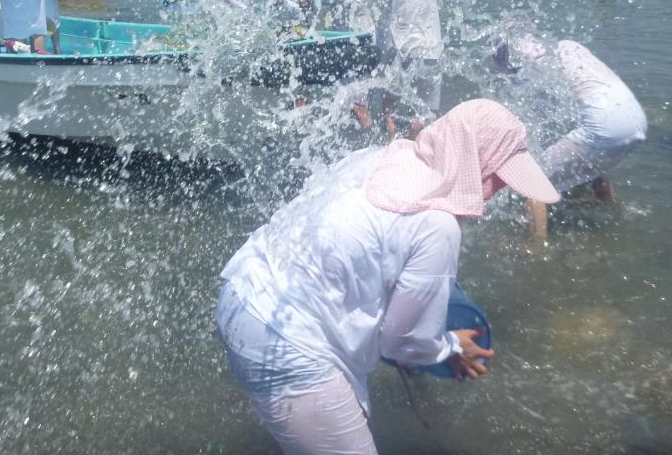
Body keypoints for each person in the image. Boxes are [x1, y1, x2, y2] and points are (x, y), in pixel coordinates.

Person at [216, 99, 561, 455]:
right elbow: (403, 341)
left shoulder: (381, 159)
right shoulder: (437, 226)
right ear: (472, 164)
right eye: (498, 176)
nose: (499, 189)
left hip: (243, 292)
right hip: (288, 342)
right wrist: (451, 347)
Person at [493, 31, 647, 238]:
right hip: (636, 117)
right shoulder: (568, 47)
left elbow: (534, 126)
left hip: (604, 123)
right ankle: (615, 214)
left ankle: (536, 246)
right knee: (591, 158)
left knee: (533, 178)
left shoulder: (533, 72)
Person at [337, 0, 444, 135]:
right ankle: (415, 143)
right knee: (425, 113)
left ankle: (392, 137)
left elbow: (358, 1)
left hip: (404, 51)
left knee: (390, 94)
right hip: (433, 52)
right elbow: (432, 4)